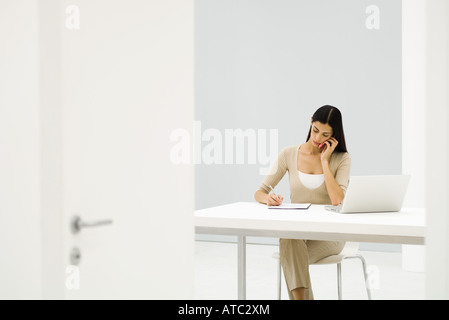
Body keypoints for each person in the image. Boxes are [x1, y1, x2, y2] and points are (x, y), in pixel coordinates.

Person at [254, 105, 351, 300]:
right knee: (290, 239)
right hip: (298, 232)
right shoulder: (288, 154)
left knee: (290, 254)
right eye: (315, 130)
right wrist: (268, 199)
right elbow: (260, 192)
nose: (317, 138)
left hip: (330, 235)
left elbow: (337, 199)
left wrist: (325, 162)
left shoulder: (342, 159)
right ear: (310, 122)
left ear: (334, 136)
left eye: (325, 135)